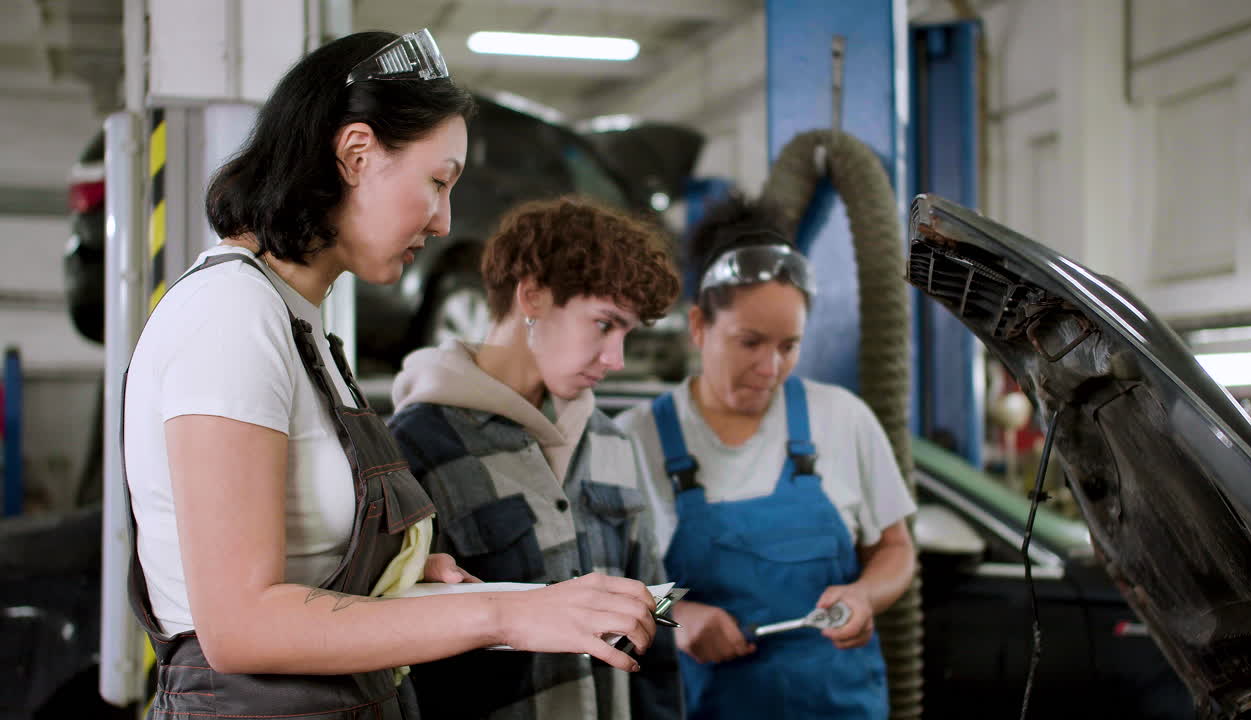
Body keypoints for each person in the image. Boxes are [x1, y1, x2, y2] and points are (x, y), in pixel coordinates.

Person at [122, 30, 658, 720]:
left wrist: (397, 577)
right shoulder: (229, 314)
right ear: (356, 154)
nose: (444, 222)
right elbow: (240, 627)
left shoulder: (301, 325)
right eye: (438, 182)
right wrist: (510, 611)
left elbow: (305, 571)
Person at [616, 195, 917, 719]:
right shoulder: (633, 441)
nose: (770, 366)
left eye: (788, 345)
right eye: (749, 342)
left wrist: (866, 595)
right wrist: (678, 616)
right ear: (698, 326)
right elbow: (602, 586)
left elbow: (895, 549)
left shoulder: (842, 419)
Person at [388, 195, 684, 719]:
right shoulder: (415, 446)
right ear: (532, 296)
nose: (615, 360)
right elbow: (396, 654)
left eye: (627, 334)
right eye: (603, 324)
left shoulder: (614, 444)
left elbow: (654, 637)